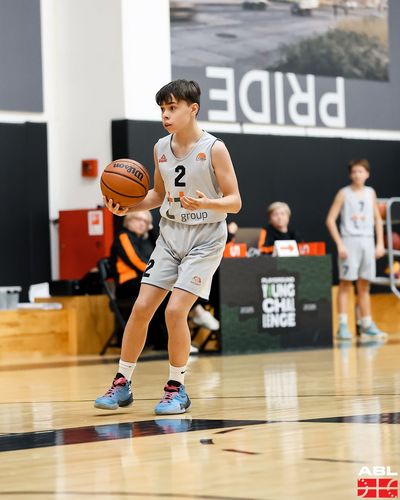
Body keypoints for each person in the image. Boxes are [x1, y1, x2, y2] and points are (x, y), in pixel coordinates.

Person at [94, 79, 242, 414]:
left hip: (205, 238)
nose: (165, 115)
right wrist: (126, 207)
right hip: (170, 235)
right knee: (141, 308)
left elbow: (235, 202)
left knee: (175, 311)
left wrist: (209, 203)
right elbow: (158, 195)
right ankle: (122, 383)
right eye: (162, 109)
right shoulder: (161, 147)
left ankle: (176, 388)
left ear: (193, 109)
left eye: (172, 108)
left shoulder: (214, 148)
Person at [326, 158, 385, 341]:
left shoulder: (370, 192)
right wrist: (340, 243)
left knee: (364, 285)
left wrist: (380, 243)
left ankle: (366, 324)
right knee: (346, 283)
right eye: (354, 172)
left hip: (367, 240)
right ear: (350, 175)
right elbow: (330, 220)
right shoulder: (344, 193)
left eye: (360, 171)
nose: (357, 175)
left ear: (367, 174)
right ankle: (343, 325)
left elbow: (377, 219)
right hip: (349, 241)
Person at [110, 210, 168, 350]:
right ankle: (165, 340)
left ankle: (163, 340)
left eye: (146, 222)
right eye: (138, 219)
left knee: (168, 291)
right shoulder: (123, 236)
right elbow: (136, 261)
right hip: (128, 284)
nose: (142, 224)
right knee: (165, 290)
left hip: (142, 281)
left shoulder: (144, 240)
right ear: (128, 220)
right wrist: (157, 274)